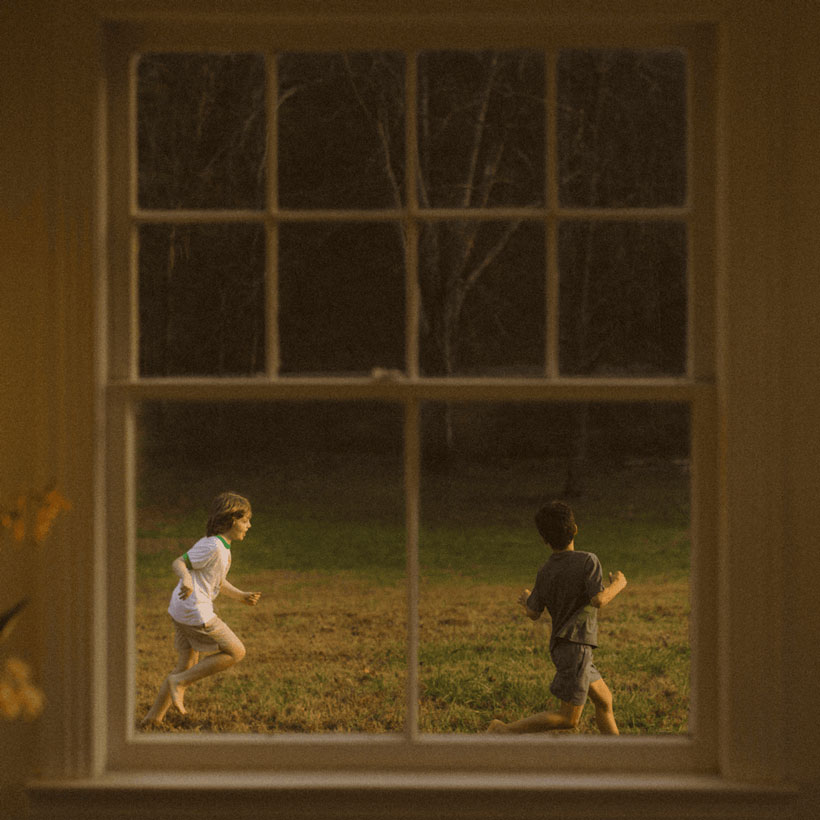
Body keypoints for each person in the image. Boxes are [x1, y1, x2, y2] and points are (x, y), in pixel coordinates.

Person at [488, 500, 626, 735]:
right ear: (575, 529)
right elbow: (599, 600)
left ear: (545, 540)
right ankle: (504, 730)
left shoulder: (545, 570)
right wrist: (619, 584)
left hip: (564, 647)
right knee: (568, 718)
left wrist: (526, 601)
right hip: (576, 646)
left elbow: (533, 613)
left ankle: (619, 753)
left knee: (604, 700)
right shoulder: (588, 561)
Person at [141, 491, 261, 727]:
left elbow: (217, 581)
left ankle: (153, 719)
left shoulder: (222, 548)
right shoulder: (213, 546)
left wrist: (241, 596)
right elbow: (179, 562)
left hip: (181, 610)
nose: (249, 525)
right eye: (246, 520)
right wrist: (186, 578)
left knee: (186, 665)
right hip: (194, 611)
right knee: (236, 652)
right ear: (232, 520)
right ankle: (180, 683)